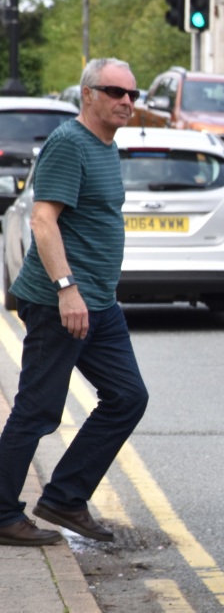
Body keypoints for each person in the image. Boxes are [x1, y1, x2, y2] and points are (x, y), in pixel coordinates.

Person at [0, 58, 148, 547]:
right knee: (37, 410)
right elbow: (43, 220)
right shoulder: (69, 143)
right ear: (88, 94)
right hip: (60, 302)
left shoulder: (106, 146)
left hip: (99, 304)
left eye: (132, 93)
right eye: (114, 92)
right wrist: (67, 289)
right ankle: (1, 515)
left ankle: (64, 497)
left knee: (127, 397)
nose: (126, 101)